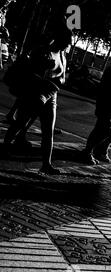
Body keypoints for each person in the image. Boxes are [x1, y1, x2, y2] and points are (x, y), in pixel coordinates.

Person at [3, 26, 72, 174]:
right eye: (67, 41)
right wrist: (43, 75)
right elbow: (29, 72)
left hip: (52, 95)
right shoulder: (43, 51)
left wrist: (58, 81)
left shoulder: (63, 56)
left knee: (49, 131)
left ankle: (46, 164)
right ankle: (4, 148)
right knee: (20, 123)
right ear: (60, 39)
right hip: (36, 92)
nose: (69, 45)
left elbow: (63, 78)